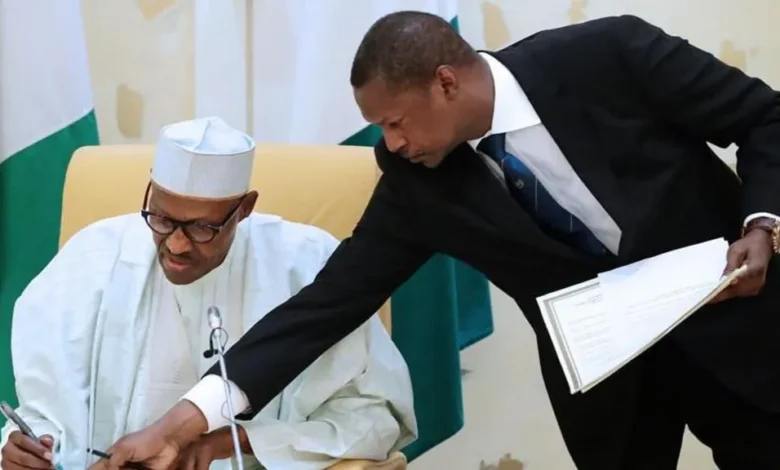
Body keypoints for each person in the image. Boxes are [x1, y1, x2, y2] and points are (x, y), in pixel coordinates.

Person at [95, 12, 780, 470]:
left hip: (744, 337)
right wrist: (184, 421)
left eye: (394, 122)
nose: (389, 144)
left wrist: (762, 225)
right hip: (614, 390)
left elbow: (765, 117)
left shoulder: (610, 55)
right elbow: (328, 304)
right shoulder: (418, 179)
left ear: (445, 83)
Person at [0, 116, 417, 470]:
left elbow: (374, 416)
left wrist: (230, 442)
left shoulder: (305, 264)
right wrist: (24, 450)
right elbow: (46, 411)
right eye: (162, 219)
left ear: (245, 208)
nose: (177, 245)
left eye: (201, 228)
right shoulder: (94, 256)